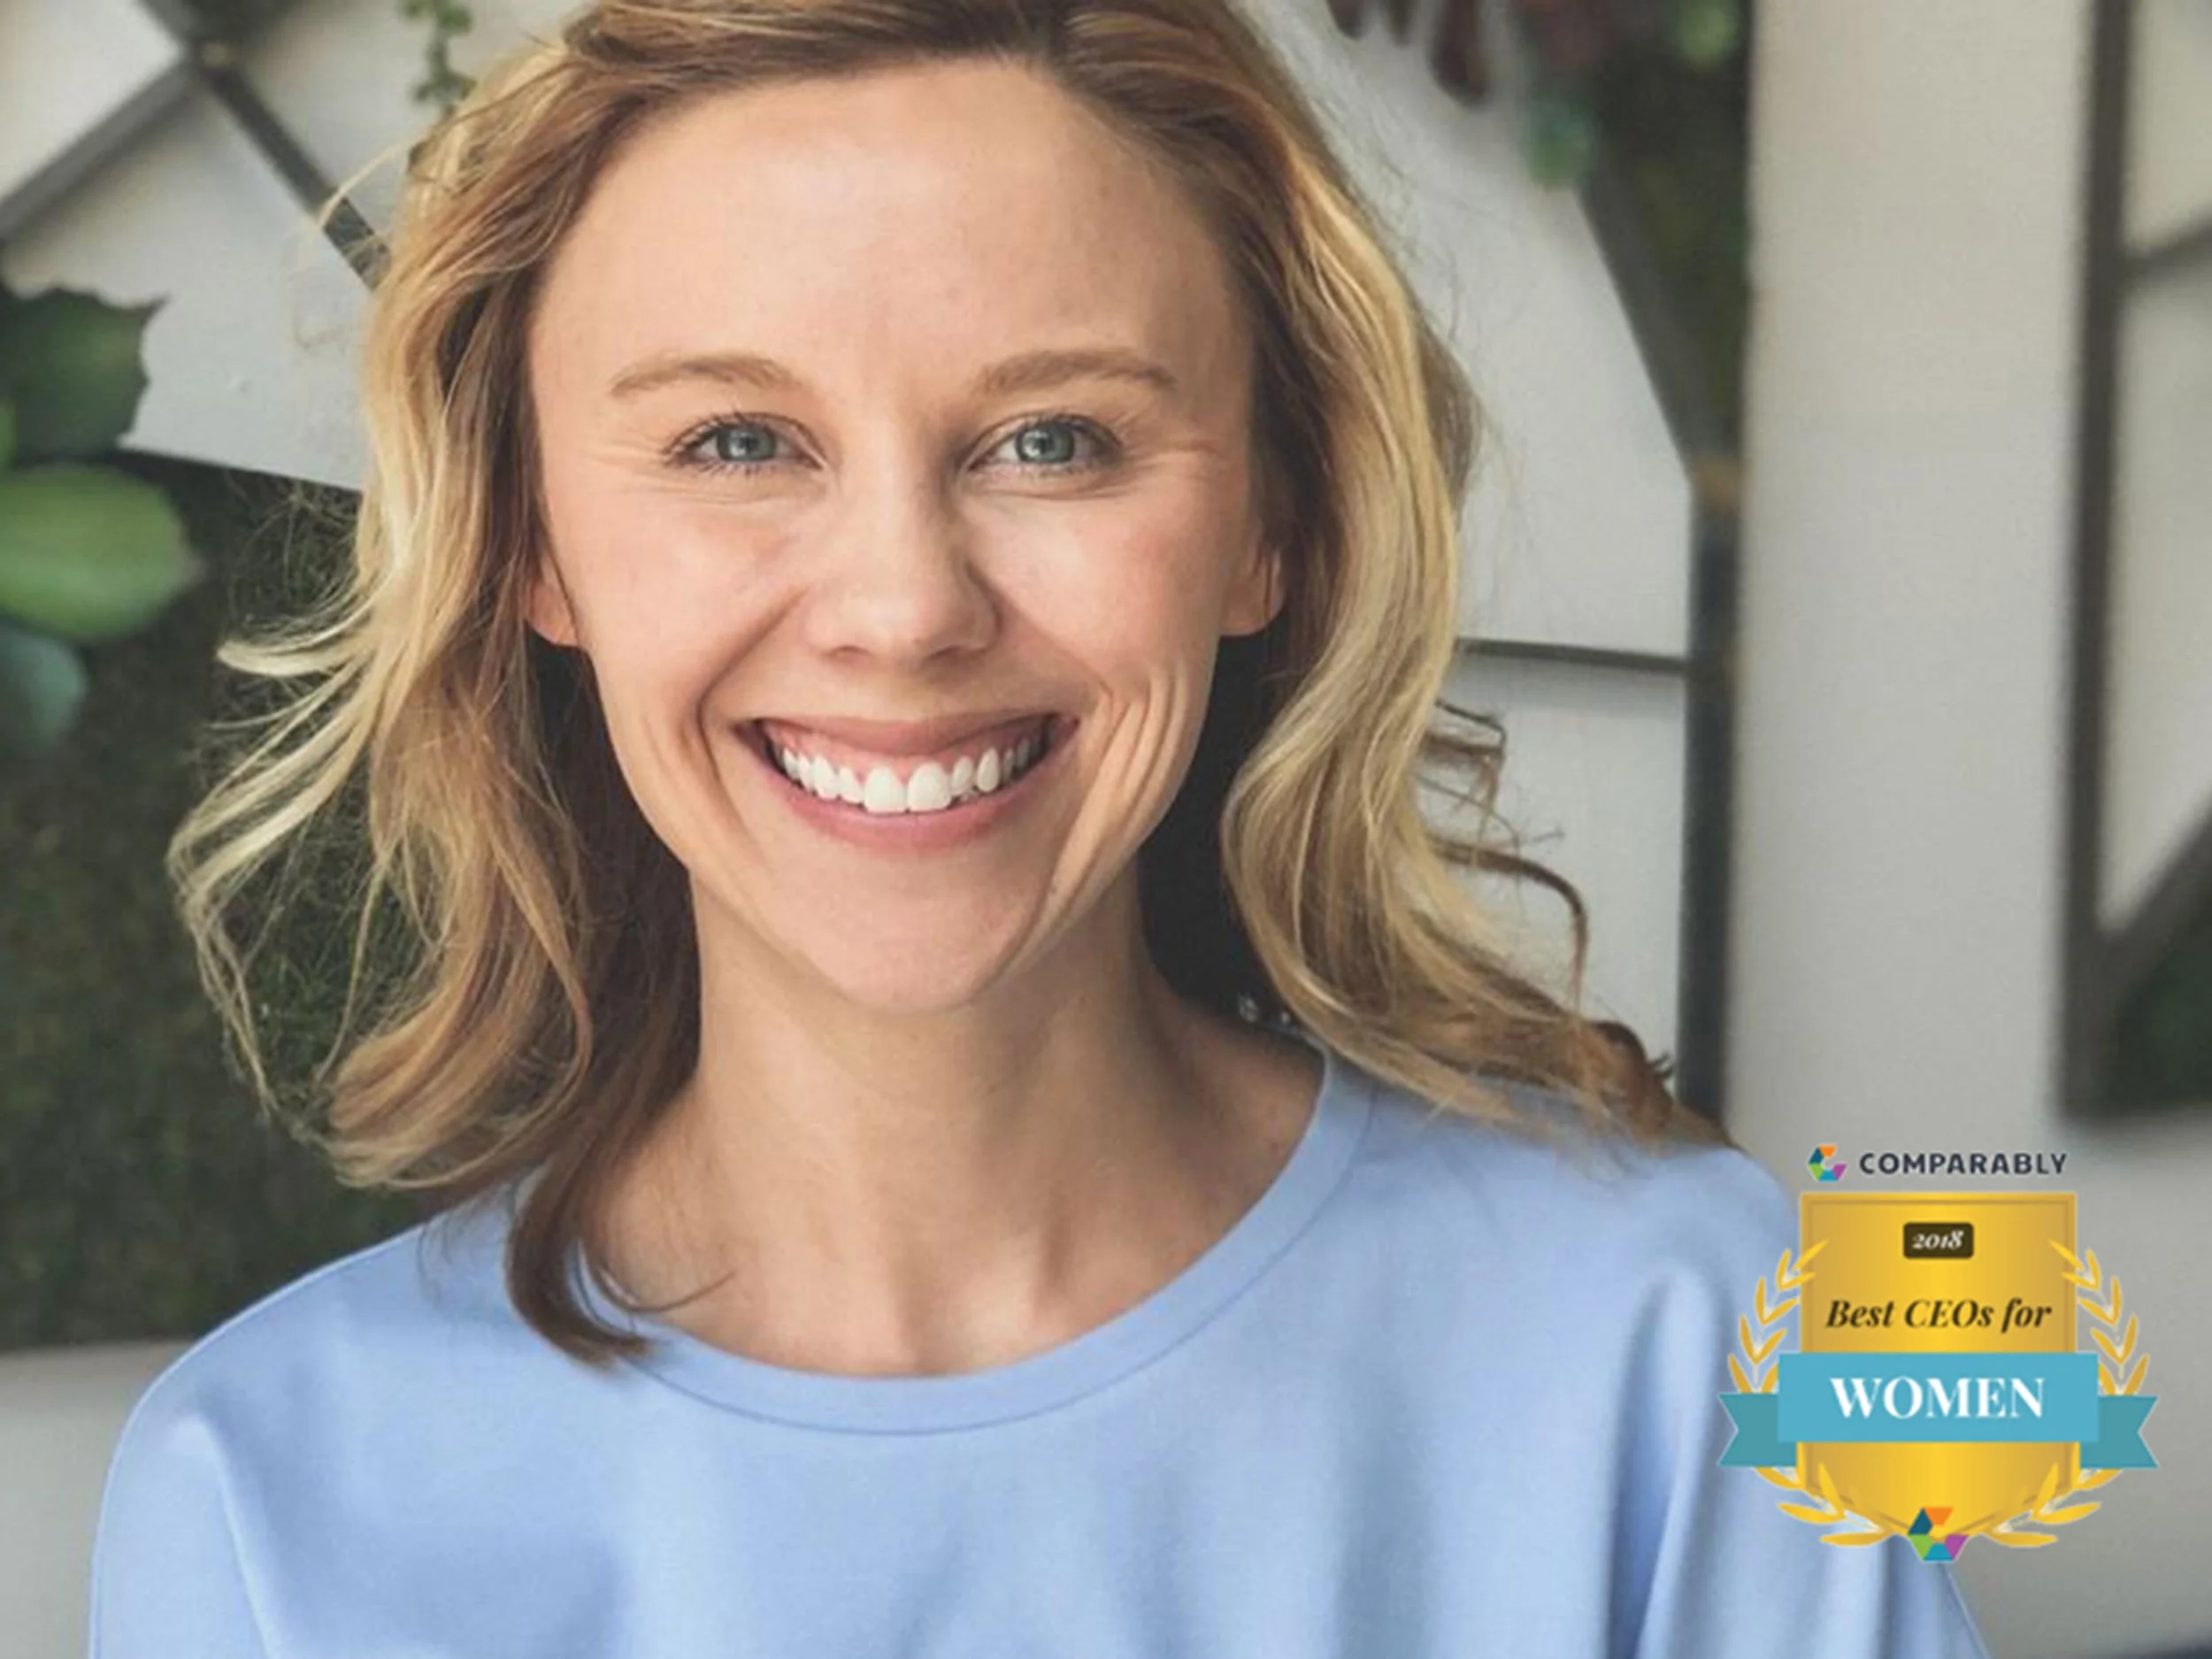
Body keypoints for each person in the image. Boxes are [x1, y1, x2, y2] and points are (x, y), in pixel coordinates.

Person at [91, 2, 1993, 1655]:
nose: (903, 606)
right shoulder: (256, 1490)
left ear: (1273, 525)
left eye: (1052, 439)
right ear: (531, 546)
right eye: (737, 444)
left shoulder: (1725, 1309)